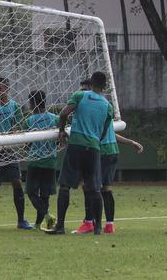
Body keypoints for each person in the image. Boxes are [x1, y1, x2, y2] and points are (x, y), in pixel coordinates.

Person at [45, 71, 112, 235]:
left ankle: (60, 226)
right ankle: (97, 227)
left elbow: (63, 113)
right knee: (94, 188)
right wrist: (95, 139)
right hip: (94, 147)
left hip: (76, 144)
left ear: (92, 82)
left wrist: (62, 130)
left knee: (65, 186)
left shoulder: (80, 95)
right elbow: (104, 130)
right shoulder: (107, 106)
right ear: (105, 86)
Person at [0, 76, 30, 229]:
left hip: (8, 150)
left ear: (7, 89)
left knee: (16, 182)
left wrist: (13, 133)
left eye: (0, 88)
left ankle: (21, 220)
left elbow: (18, 125)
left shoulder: (14, 106)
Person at [88, 102, 143, 234]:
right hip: (113, 151)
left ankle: (94, 224)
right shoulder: (106, 115)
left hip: (103, 152)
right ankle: (110, 224)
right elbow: (112, 134)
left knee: (94, 188)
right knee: (106, 188)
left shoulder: (93, 117)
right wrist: (132, 142)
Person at [23, 90, 59, 230]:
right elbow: (58, 140)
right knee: (45, 195)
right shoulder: (55, 118)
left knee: (32, 193)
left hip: (35, 161)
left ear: (33, 103)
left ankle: (47, 216)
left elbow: (27, 144)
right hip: (50, 161)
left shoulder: (29, 121)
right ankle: (38, 224)